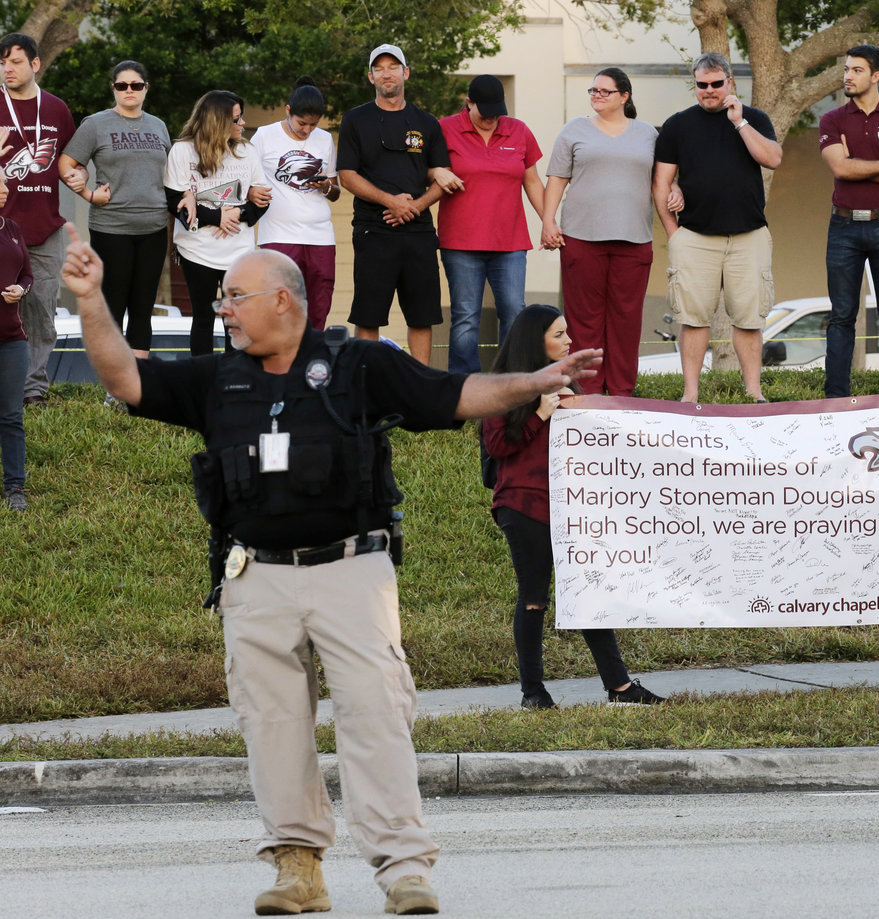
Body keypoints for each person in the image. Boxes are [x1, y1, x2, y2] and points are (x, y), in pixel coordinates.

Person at [61, 227, 603, 915]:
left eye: (235, 296)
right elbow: (125, 378)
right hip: (255, 577)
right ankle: (298, 868)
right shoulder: (217, 379)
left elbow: (454, 393)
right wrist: (91, 299)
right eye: (223, 298)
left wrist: (536, 381)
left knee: (376, 715)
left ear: (282, 300)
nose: (223, 309)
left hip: (352, 570)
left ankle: (404, 870)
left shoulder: (358, 365)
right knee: (272, 724)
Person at [482, 304, 665, 709]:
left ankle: (620, 688)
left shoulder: (565, 382)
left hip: (571, 506)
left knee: (589, 593)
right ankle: (533, 693)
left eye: (567, 332)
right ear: (536, 341)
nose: (569, 341)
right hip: (523, 504)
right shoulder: (504, 386)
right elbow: (497, 445)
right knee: (534, 598)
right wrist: (539, 414)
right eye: (559, 334)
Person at [652, 52, 783, 404]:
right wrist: (674, 233)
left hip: (749, 236)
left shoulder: (754, 118)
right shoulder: (677, 125)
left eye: (716, 84)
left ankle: (754, 394)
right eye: (701, 84)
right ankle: (690, 395)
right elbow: (661, 182)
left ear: (729, 82)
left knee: (749, 320)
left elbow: (772, 158)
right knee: (693, 320)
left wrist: (739, 123)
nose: (709, 90)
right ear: (695, 85)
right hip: (695, 238)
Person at [542, 67, 672, 396]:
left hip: (634, 240)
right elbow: (557, 178)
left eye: (604, 91)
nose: (596, 96)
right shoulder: (574, 129)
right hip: (581, 238)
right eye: (593, 91)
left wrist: (677, 193)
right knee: (583, 321)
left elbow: (662, 179)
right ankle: (587, 393)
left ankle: (622, 393)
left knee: (626, 320)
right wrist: (548, 221)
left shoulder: (647, 134)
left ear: (624, 96)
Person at [338, 43, 460, 365]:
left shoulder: (427, 122)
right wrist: (390, 201)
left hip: (418, 231)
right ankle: (368, 382)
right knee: (368, 316)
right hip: (372, 229)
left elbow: (443, 177)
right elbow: (347, 176)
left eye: (393, 67)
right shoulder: (355, 120)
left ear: (406, 73)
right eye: (379, 68)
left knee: (422, 316)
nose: (386, 73)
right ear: (370, 77)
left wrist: (415, 206)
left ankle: (419, 384)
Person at [819, 44, 879, 397]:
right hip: (843, 227)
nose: (848, 76)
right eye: (846, 69)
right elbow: (840, 168)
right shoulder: (832, 119)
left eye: (856, 70)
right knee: (842, 315)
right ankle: (836, 399)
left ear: (876, 76)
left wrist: (856, 163)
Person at [58, 60, 171, 357]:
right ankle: (113, 379)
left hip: (154, 228)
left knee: (143, 308)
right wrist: (88, 194)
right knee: (112, 306)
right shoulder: (96, 124)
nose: (129, 90)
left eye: (136, 85)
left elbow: (171, 174)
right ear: (113, 89)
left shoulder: (158, 125)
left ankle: (138, 377)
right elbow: (66, 164)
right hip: (111, 228)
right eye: (122, 85)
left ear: (146, 88)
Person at [438, 74, 544, 374]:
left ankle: (510, 385)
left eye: (496, 113)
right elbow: (428, 169)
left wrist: (548, 221)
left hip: (510, 242)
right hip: (461, 242)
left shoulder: (518, 130)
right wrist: (435, 172)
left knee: (514, 312)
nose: (491, 119)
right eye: (484, 113)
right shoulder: (445, 129)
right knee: (466, 317)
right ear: (468, 103)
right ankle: (465, 389)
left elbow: (532, 181)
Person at [164, 89, 270, 356]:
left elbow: (262, 200)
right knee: (203, 317)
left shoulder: (246, 151)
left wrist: (239, 214)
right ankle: (203, 376)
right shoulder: (182, 151)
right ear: (217, 122)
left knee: (236, 319)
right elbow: (174, 202)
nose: (243, 123)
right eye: (236, 119)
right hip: (197, 249)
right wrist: (216, 217)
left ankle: (234, 376)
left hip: (239, 251)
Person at [0, 33, 75, 407]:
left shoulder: (57, 109)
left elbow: (68, 162)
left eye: (15, 62)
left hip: (46, 228)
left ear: (35, 64)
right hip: (2, 226)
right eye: (2, 63)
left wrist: (83, 181)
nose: (7, 69)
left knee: (42, 313)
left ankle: (33, 390)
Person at [250, 76, 340, 331]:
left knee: (319, 307)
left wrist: (325, 186)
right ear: (288, 111)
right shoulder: (264, 136)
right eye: (302, 123)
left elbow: (335, 192)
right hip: (278, 234)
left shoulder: (324, 139)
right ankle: (280, 354)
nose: (307, 130)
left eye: (314, 124)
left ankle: (312, 353)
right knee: (280, 304)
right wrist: (252, 193)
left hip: (320, 235)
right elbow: (245, 180)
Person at [0, 176, 32, 510]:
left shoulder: (12, 229)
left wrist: (21, 289)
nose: (5, 190)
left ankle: (14, 488)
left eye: (6, 185)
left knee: (11, 416)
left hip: (12, 340)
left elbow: (27, 274)